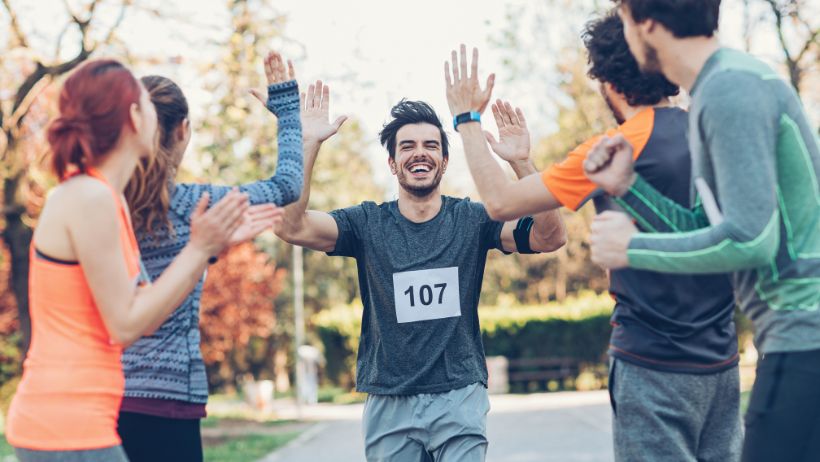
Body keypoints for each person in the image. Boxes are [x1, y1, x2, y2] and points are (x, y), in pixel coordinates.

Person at [443, 10, 740, 460]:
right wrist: (523, 160)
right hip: (723, 362)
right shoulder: (714, 130)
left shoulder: (612, 149)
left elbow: (500, 203)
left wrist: (467, 118)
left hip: (653, 365)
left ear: (609, 82)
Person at [274, 82, 566, 461]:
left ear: (444, 161)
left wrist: (522, 163)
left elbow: (551, 236)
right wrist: (309, 142)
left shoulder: (473, 219)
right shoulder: (366, 224)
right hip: (389, 399)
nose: (420, 153)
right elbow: (290, 226)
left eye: (431, 145)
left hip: (459, 393)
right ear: (393, 163)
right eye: (407, 146)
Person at [580, 1, 820, 461]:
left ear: (644, 22)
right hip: (794, 340)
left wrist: (633, 248)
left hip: (805, 339)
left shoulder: (730, 88)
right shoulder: (720, 87)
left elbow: (750, 240)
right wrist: (630, 189)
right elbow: (717, 229)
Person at [5, 59, 248, 462]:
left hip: (77, 424)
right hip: (66, 426)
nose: (157, 109)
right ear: (134, 117)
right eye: (147, 102)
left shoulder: (106, 199)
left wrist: (207, 247)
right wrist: (198, 248)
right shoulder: (89, 197)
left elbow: (145, 316)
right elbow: (124, 325)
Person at [117, 51, 302, 462]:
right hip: (169, 402)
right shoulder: (197, 206)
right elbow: (288, 184)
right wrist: (287, 109)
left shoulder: (103, 205)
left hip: (104, 398)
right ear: (183, 131)